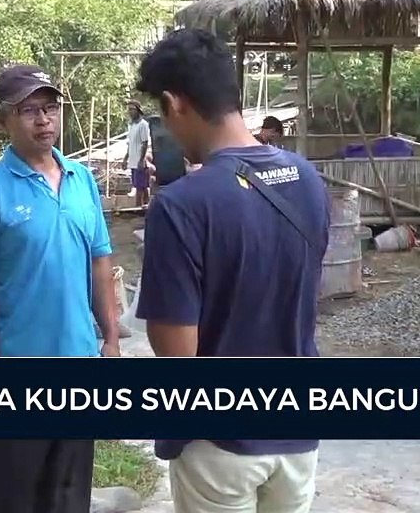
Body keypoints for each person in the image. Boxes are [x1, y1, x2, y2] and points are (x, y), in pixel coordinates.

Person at [133, 28, 329, 513]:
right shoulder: (307, 179)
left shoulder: (180, 206)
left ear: (175, 103)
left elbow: (178, 356)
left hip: (220, 444)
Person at [0, 63, 120, 513]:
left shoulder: (82, 180)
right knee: (14, 496)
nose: (44, 120)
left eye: (50, 108)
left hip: (79, 366)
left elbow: (100, 264)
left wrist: (109, 342)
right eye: (29, 110)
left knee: (69, 494)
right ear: (2, 120)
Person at [124, 99, 152, 207]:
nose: (130, 112)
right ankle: (146, 207)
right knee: (142, 186)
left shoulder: (143, 125)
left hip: (140, 161)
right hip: (133, 160)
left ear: (138, 110)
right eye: (129, 109)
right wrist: (125, 158)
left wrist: (141, 160)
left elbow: (145, 143)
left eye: (132, 109)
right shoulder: (132, 126)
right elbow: (130, 144)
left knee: (140, 187)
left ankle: (138, 208)